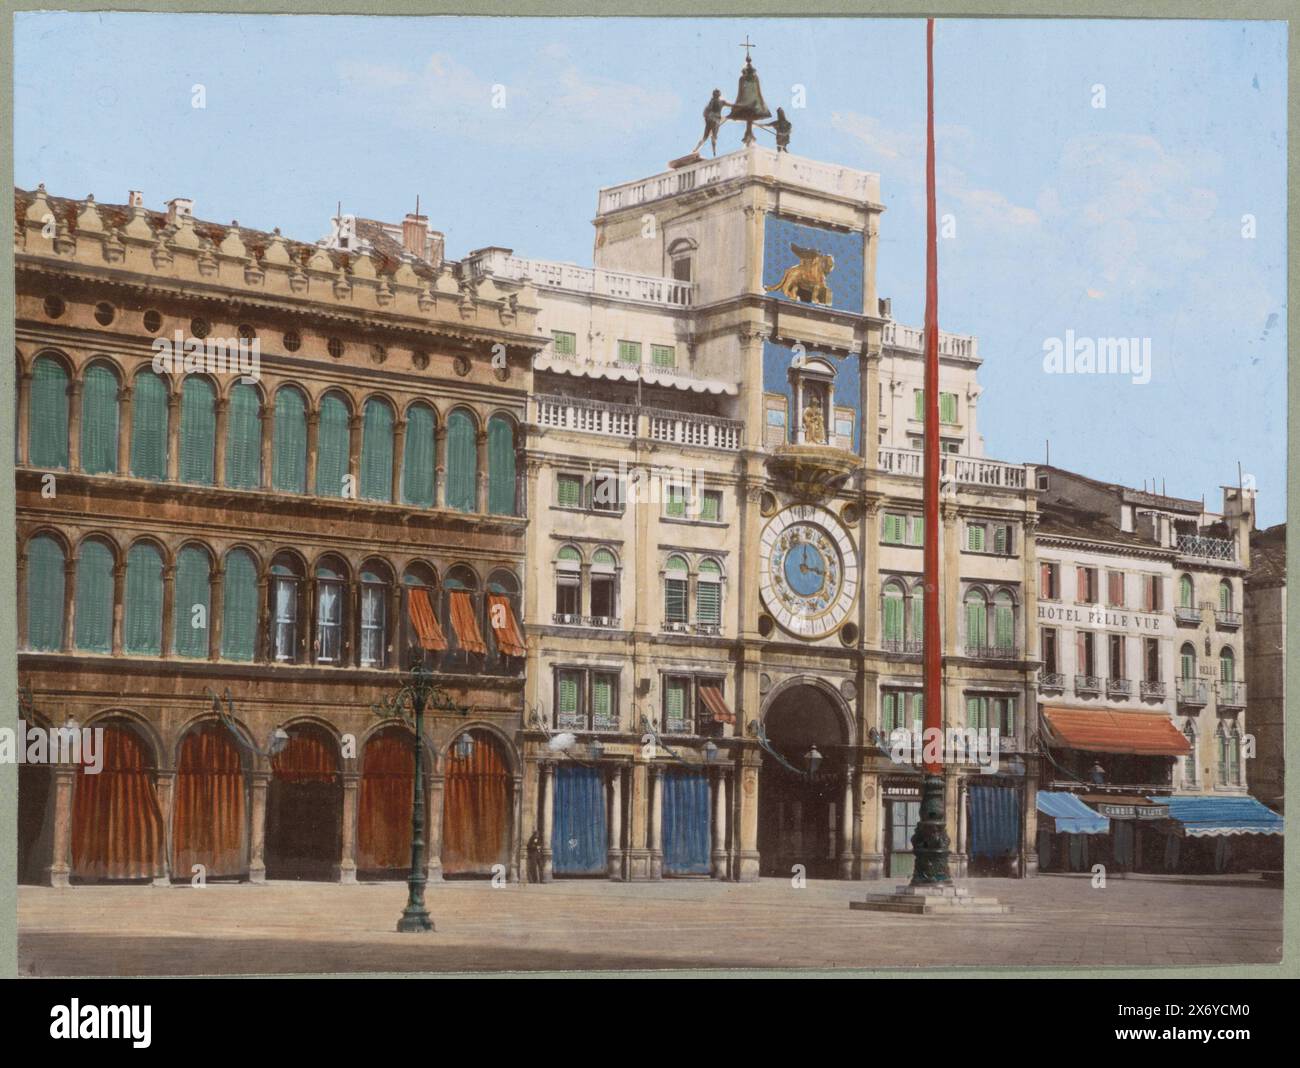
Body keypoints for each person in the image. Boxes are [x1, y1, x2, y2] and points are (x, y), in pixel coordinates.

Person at [692, 89, 733, 157]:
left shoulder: (711, 102)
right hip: (715, 120)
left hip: (710, 120)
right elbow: (731, 105)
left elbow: (705, 113)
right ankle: (714, 152)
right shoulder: (721, 102)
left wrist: (707, 119)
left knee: (705, 137)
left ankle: (695, 149)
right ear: (719, 95)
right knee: (713, 137)